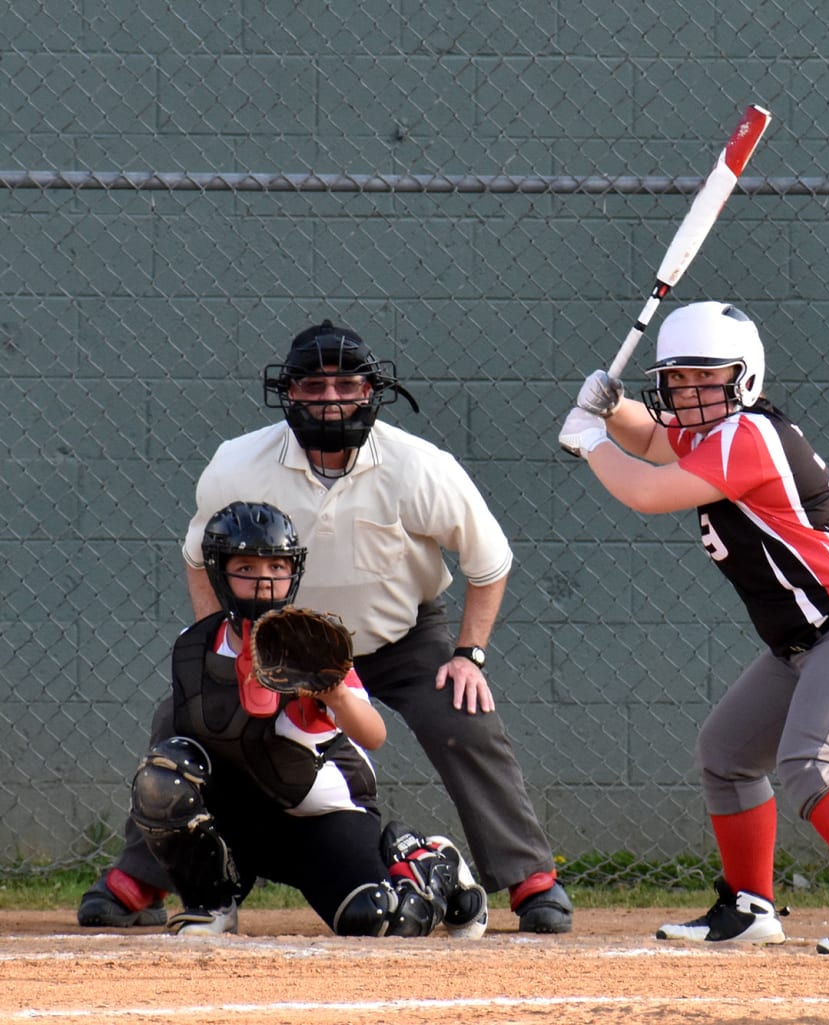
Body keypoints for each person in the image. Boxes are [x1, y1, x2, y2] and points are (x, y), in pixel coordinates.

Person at [78, 321, 572, 934]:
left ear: (373, 392)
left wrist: (468, 653)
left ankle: (531, 881)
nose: (331, 399)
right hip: (282, 647)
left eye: (347, 385)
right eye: (314, 386)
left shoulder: (419, 466)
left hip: (400, 636)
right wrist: (218, 652)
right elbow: (196, 556)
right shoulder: (240, 463)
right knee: (180, 716)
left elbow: (489, 561)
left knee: (462, 718)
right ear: (288, 393)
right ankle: (141, 879)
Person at [557, 301, 829, 954]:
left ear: (745, 377)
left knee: (814, 763)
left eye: (707, 379)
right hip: (810, 639)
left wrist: (592, 439)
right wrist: (611, 405)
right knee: (728, 752)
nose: (690, 393)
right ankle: (748, 906)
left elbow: (648, 490)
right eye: (679, 380)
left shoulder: (750, 435)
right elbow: (653, 439)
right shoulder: (717, 434)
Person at [131, 500, 488, 937]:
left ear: (293, 572)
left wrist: (335, 693)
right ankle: (211, 904)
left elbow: (374, 735)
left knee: (376, 921)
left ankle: (429, 864)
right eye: (246, 568)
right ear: (219, 571)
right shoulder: (194, 647)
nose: (264, 581)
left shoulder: (308, 643)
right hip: (241, 824)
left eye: (277, 568)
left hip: (321, 820)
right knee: (165, 771)